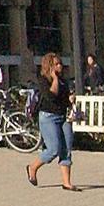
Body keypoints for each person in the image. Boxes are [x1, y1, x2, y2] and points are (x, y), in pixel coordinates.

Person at [26, 51, 78, 191]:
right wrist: (54, 79)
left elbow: (65, 97)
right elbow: (51, 95)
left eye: (60, 63)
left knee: (66, 148)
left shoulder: (63, 80)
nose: (60, 66)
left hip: (63, 117)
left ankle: (66, 182)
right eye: (56, 64)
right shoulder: (43, 80)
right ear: (49, 66)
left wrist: (70, 99)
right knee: (53, 149)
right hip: (48, 117)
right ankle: (33, 167)